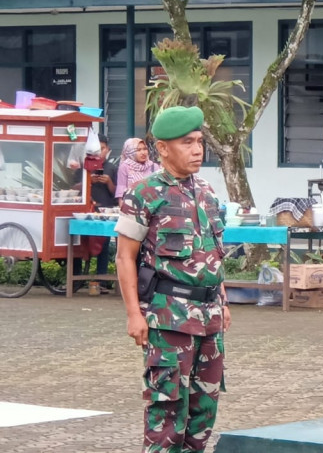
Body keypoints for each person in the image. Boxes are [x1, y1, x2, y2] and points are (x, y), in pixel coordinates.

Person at [115, 106, 230, 452]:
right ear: (163, 148)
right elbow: (125, 257)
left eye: (199, 142)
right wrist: (134, 313)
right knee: (167, 415)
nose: (198, 150)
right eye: (187, 143)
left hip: (209, 319)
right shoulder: (144, 194)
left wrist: (222, 301)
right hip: (168, 320)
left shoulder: (207, 191)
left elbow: (214, 253)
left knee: (203, 414)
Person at [72, 133, 118, 291]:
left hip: (105, 211)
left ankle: (102, 280)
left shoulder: (112, 168)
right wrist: (87, 181)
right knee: (79, 244)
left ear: (108, 150)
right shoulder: (82, 167)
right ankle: (75, 280)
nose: (99, 152)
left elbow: (117, 193)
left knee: (103, 244)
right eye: (97, 149)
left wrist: (109, 182)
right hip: (84, 212)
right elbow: (72, 189)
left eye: (103, 149)